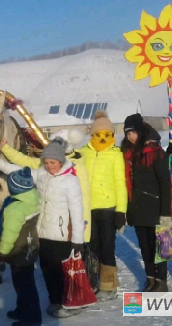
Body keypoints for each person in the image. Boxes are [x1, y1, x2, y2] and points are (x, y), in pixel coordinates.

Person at [0, 138, 85, 318]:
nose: (49, 166)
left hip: (61, 235)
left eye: (52, 162)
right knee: (47, 271)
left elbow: (77, 211)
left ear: (60, 161)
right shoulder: (42, 174)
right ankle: (55, 300)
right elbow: (18, 171)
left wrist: (78, 240)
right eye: (46, 163)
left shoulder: (70, 181)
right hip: (43, 232)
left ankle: (67, 303)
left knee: (61, 272)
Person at [77, 110, 127, 301]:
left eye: (108, 134)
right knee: (92, 247)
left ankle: (108, 285)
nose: (104, 138)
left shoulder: (116, 155)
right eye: (99, 134)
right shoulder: (83, 153)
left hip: (107, 208)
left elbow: (120, 183)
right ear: (92, 135)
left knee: (107, 247)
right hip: (87, 208)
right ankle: (92, 281)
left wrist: (121, 210)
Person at [121, 114, 172, 292]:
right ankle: (150, 278)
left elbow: (165, 183)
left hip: (156, 206)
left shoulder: (156, 153)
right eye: (128, 134)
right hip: (137, 207)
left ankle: (162, 281)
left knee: (160, 246)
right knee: (144, 246)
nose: (130, 137)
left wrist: (166, 212)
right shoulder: (127, 153)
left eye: (133, 133)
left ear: (141, 132)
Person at [0, 167, 42, 326]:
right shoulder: (33, 198)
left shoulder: (15, 208)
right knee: (26, 282)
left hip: (18, 251)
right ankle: (22, 309)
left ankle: (32, 318)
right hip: (30, 248)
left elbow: (9, 234)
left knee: (24, 286)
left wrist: (2, 252)